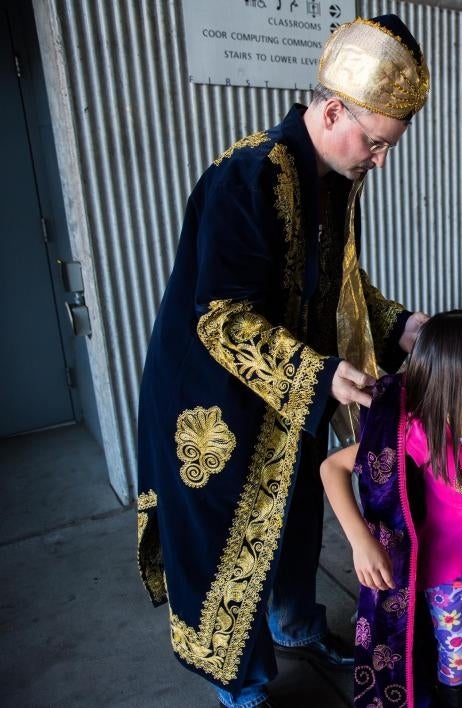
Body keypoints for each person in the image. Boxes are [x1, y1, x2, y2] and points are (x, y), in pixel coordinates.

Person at [135, 15, 431, 708]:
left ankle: (296, 624)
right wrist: (323, 375)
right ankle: (241, 686)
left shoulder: (332, 178)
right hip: (209, 394)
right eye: (377, 143)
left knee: (296, 517)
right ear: (332, 111)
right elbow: (223, 316)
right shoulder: (248, 175)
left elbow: (335, 294)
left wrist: (403, 325)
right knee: (226, 539)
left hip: (288, 389)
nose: (380, 161)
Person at [321, 310, 462, 707]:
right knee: (455, 657)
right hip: (444, 574)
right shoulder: (424, 435)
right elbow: (332, 467)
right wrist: (360, 541)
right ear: (449, 379)